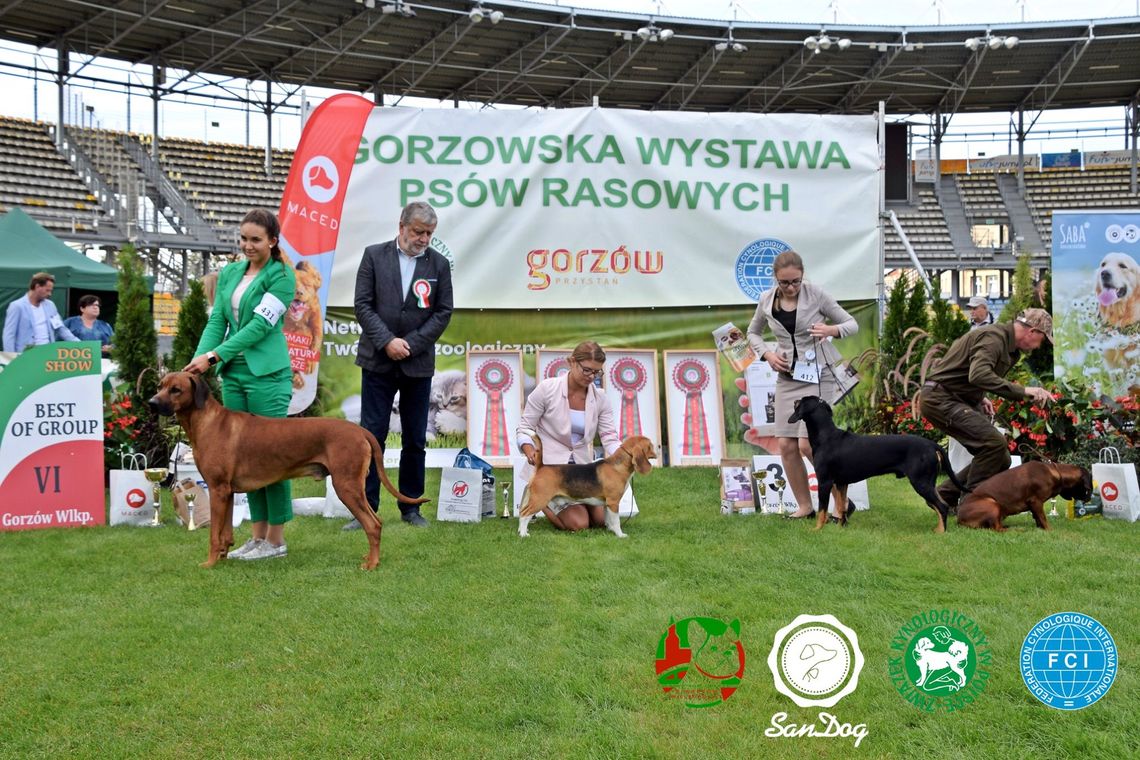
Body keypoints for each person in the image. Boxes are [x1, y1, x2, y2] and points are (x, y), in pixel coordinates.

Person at [184, 208, 296, 561]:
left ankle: (275, 541)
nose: (247, 246)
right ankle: (256, 536)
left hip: (268, 377)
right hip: (234, 376)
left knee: (273, 457)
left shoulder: (282, 277)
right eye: (243, 238)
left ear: (272, 241)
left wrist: (213, 357)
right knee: (243, 460)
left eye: (255, 240)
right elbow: (217, 320)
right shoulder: (231, 273)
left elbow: (259, 328)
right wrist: (197, 366)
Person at [350, 201, 454, 529]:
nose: (424, 239)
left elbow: (443, 311)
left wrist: (413, 345)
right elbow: (362, 305)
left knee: (415, 437)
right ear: (401, 226)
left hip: (417, 364)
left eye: (429, 234)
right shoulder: (373, 256)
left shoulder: (439, 264)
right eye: (418, 232)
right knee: (372, 436)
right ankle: (366, 508)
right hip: (377, 362)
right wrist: (387, 341)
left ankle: (411, 507)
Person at [746, 251, 859, 519]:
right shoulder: (766, 300)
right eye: (785, 283)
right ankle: (805, 506)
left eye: (796, 281)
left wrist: (831, 330)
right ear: (776, 280)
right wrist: (768, 355)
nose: (791, 287)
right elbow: (753, 333)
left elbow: (851, 324)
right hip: (787, 377)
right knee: (785, 444)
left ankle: (842, 502)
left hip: (820, 376)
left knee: (808, 445)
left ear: (802, 275)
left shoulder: (816, 294)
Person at [919, 308, 1055, 509]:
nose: (1039, 345)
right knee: (994, 444)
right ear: (1032, 331)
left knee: (1001, 458)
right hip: (941, 398)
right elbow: (979, 374)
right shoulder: (993, 338)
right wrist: (1025, 390)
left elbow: (968, 373)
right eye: (1042, 338)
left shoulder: (1007, 345)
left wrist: (979, 396)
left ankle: (944, 496)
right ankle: (971, 506)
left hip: (953, 397)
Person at [516, 341, 621, 531]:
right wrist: (529, 449)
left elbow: (610, 438)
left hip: (583, 470)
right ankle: (543, 497)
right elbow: (524, 428)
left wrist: (624, 457)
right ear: (571, 362)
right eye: (587, 370)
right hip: (550, 469)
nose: (592, 377)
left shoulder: (601, 399)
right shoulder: (546, 389)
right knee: (579, 524)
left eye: (597, 373)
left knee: (600, 521)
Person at [3, 272, 79, 353]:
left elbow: (60, 328)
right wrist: (10, 358)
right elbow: (9, 335)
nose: (50, 294)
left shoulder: (50, 305)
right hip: (26, 355)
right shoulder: (17, 306)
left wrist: (79, 344)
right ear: (37, 286)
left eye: (51, 291)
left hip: (47, 353)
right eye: (47, 290)